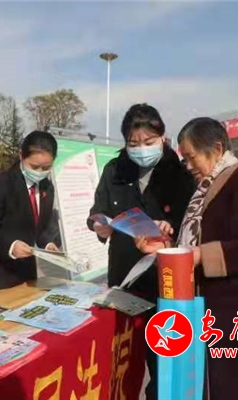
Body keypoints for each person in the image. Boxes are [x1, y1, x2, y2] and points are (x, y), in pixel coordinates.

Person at [135, 117, 238, 400]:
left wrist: (203, 255)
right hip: (204, 311)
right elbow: (197, 242)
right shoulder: (206, 186)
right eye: (184, 159)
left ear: (217, 148)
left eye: (191, 157)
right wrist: (166, 247)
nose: (188, 166)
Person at [87, 104, 195, 400]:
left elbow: (191, 224)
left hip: (165, 281)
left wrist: (171, 227)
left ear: (162, 137)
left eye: (148, 142)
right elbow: (97, 210)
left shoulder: (180, 174)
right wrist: (99, 225)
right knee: (122, 354)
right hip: (124, 276)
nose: (141, 149)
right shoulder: (114, 171)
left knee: (163, 360)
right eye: (133, 144)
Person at [0, 130, 61, 295]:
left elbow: (39, 227)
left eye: (46, 167)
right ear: (21, 156)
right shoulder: (0, 184)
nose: (40, 172)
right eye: (34, 166)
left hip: (26, 276)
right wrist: (11, 246)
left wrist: (48, 244)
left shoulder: (47, 188)